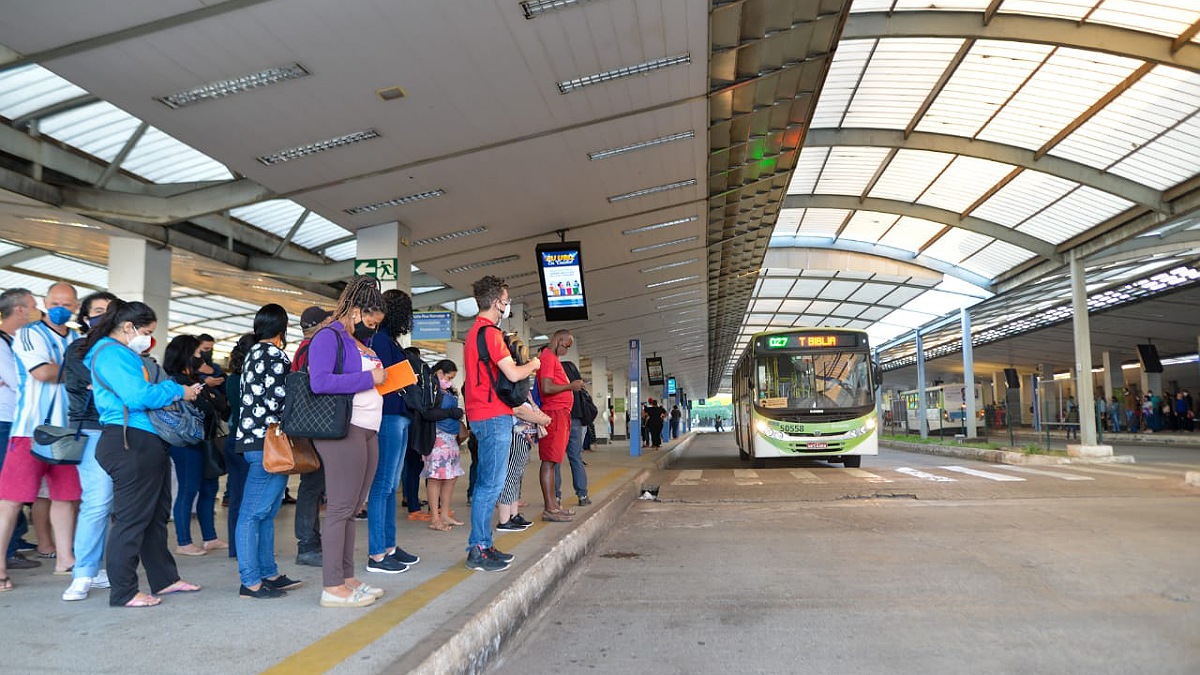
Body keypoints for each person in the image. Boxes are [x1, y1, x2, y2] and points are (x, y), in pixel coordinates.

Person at [85, 300, 203, 607]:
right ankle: (123, 591)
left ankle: (165, 579)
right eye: (146, 331)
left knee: (154, 516)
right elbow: (137, 396)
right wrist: (179, 391)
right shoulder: (111, 353)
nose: (148, 339)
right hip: (128, 441)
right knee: (131, 519)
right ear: (128, 327)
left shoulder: (121, 353)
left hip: (142, 441)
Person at [308, 277, 389, 607]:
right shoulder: (328, 337)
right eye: (371, 320)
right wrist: (371, 377)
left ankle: (347, 576)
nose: (373, 327)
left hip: (368, 429)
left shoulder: (356, 341)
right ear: (356, 310)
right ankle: (331, 586)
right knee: (340, 508)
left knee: (354, 508)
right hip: (344, 429)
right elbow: (320, 381)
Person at [0, 282, 83, 591]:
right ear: (46, 303)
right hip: (29, 430)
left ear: (75, 307)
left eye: (68, 303)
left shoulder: (78, 338)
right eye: (55, 301)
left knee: (65, 498)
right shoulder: (29, 333)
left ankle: (65, 559)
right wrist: (77, 373)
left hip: (67, 430)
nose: (61, 307)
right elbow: (42, 373)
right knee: (10, 500)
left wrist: (70, 372)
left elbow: (62, 372)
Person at [463, 275, 539, 572]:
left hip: (481, 415)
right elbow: (513, 374)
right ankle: (477, 548)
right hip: (493, 416)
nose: (507, 306)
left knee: (487, 483)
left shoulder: (474, 333)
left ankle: (484, 543)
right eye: (506, 301)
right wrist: (534, 364)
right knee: (490, 485)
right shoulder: (491, 334)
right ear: (497, 303)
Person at [234, 304, 303, 599]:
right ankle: (250, 581)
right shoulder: (275, 355)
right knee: (253, 514)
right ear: (282, 327)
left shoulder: (251, 354)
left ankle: (268, 573)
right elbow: (280, 401)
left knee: (265, 512)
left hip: (255, 440)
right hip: (269, 442)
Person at [61, 291, 117, 601]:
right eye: (98, 311)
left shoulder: (122, 350)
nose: (104, 316)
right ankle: (83, 572)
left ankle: (95, 568)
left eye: (111, 311)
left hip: (123, 430)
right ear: (85, 318)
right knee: (97, 502)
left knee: (109, 504)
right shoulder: (78, 349)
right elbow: (102, 388)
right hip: (94, 429)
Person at [365, 290, 420, 574]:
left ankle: (389, 546)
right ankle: (377, 553)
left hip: (397, 416)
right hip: (387, 416)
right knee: (382, 486)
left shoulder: (388, 341)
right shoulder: (381, 341)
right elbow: (382, 379)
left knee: (389, 485)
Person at [162, 335, 225, 556]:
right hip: (186, 443)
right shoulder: (175, 383)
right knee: (189, 489)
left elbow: (219, 406)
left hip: (204, 441)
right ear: (185, 356)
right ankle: (184, 542)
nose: (202, 358)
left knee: (209, 488)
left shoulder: (195, 380)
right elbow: (206, 408)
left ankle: (210, 537)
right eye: (198, 354)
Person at [291, 305, 332, 567]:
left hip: (308, 424)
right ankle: (307, 545)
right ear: (318, 324)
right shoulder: (313, 348)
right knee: (311, 486)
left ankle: (311, 541)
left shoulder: (303, 349)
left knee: (313, 486)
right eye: (328, 319)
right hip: (314, 425)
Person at [0, 288, 37, 572]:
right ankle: (8, 549)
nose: (38, 311)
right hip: (5, 422)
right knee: (9, 490)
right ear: (20, 309)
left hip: (19, 420)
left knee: (15, 489)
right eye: (35, 305)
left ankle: (17, 540)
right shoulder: (2, 344)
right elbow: (17, 381)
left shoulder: (17, 341)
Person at [537, 330, 580, 522]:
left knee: (554, 462)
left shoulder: (552, 358)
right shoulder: (547, 356)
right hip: (553, 414)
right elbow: (546, 388)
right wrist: (570, 386)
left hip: (560, 414)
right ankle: (549, 508)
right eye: (567, 345)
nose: (567, 350)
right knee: (549, 461)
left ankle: (554, 505)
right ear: (558, 340)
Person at [422, 360, 466, 532]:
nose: (450, 381)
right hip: (437, 436)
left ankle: (445, 513)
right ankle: (434, 518)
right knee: (435, 476)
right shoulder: (428, 389)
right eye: (448, 377)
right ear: (439, 372)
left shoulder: (447, 390)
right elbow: (426, 412)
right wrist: (450, 413)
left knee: (450, 476)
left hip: (450, 438)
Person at [222, 333, 255, 559]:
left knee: (236, 497)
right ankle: (248, 545)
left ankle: (235, 547)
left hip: (232, 440)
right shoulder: (253, 378)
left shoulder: (232, 379)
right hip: (249, 441)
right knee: (252, 500)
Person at [497, 394, 549, 532]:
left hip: (524, 438)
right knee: (511, 476)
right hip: (516, 436)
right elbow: (517, 412)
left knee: (517, 477)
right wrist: (540, 419)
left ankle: (513, 515)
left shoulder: (523, 391)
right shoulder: (513, 390)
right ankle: (504, 520)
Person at [400, 346, 430, 522]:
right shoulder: (416, 379)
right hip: (416, 425)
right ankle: (413, 505)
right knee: (415, 467)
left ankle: (412, 502)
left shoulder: (400, 376)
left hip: (405, 423)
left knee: (408, 468)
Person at [557, 350, 590, 508]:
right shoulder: (577, 385)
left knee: (555, 460)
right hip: (576, 421)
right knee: (576, 458)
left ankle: (555, 496)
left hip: (559, 420)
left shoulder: (556, 381)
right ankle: (582, 495)